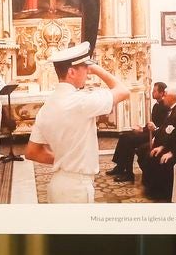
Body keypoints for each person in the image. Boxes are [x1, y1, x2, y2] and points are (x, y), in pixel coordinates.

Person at [24, 42, 130, 203]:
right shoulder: (81, 102)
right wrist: (96, 68)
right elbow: (123, 91)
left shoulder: (47, 107)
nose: (88, 74)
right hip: (76, 189)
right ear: (72, 72)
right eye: (85, 69)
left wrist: (64, 160)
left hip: (57, 184)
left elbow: (32, 151)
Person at [106, 80, 170, 181]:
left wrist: (145, 130)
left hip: (155, 135)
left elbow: (161, 127)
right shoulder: (156, 105)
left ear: (161, 93)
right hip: (150, 132)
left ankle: (129, 174)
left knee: (129, 141)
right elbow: (152, 123)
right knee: (124, 136)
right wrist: (142, 128)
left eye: (155, 91)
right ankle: (120, 166)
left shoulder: (166, 107)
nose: (153, 93)